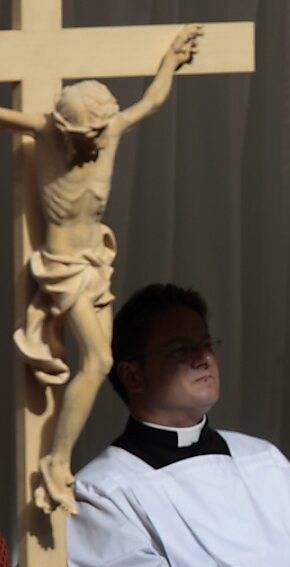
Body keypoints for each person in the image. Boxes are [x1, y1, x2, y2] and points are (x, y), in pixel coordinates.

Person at [1, 25, 203, 513]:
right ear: (65, 129)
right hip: (64, 267)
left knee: (100, 363)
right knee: (99, 361)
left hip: (97, 264)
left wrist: (170, 61)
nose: (94, 140)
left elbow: (151, 101)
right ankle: (57, 461)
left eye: (99, 130)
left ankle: (58, 458)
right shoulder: (46, 134)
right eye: (85, 134)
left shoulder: (110, 132)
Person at [68, 284, 290, 567]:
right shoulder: (102, 492)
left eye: (206, 344)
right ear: (133, 376)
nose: (204, 358)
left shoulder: (264, 460)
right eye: (181, 349)